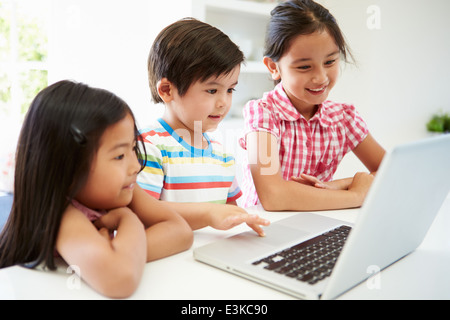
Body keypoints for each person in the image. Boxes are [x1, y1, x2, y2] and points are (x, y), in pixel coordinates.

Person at [0, 80, 193, 298]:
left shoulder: (122, 189)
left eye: (132, 149)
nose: (135, 166)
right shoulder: (63, 216)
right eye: (119, 156)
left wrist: (123, 252)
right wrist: (128, 220)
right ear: (68, 169)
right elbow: (120, 280)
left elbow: (181, 231)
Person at [239, 0, 386, 211]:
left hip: (320, 224)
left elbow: (390, 172)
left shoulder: (344, 118)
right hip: (266, 230)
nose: (320, 77)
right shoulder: (263, 113)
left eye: (330, 62)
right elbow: (273, 196)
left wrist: (336, 186)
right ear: (274, 67)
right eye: (305, 66)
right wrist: (356, 194)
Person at [139, 18, 269, 235]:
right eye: (212, 91)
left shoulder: (222, 155)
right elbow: (141, 213)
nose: (224, 103)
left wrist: (246, 220)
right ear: (167, 90)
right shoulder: (148, 146)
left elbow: (230, 213)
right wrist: (208, 213)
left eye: (230, 90)